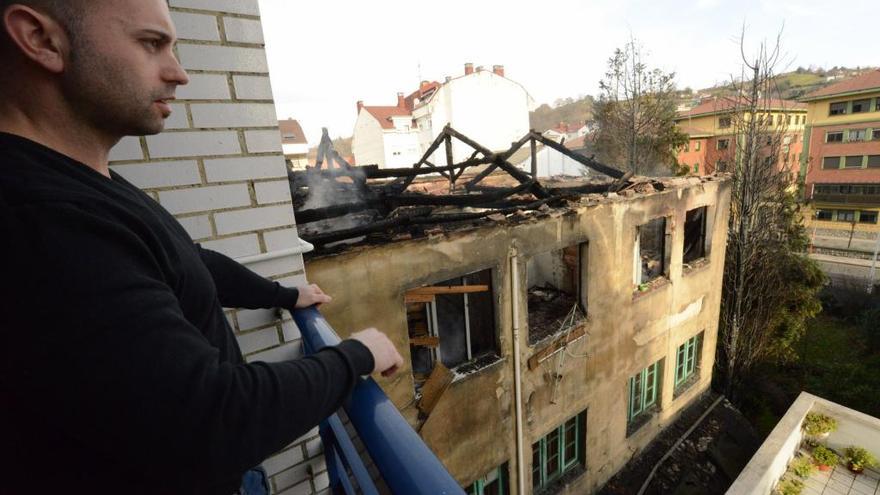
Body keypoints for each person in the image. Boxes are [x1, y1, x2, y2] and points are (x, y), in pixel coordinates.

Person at [0, 1, 404, 493]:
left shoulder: (82, 183)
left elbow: (190, 262)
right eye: (151, 44)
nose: (179, 74)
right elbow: (211, 420)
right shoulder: (41, 216)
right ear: (40, 40)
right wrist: (356, 354)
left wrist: (284, 294)